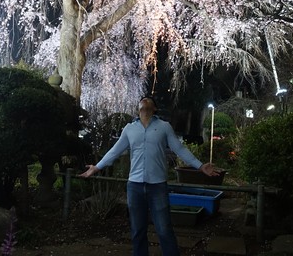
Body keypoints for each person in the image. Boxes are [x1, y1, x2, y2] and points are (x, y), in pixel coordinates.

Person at [81, 96, 219, 256]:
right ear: (138, 108)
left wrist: (200, 166)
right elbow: (115, 151)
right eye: (142, 99)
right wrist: (96, 167)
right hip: (134, 186)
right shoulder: (129, 129)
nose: (145, 100)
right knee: (137, 230)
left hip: (157, 186)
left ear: (155, 109)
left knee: (164, 229)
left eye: (149, 100)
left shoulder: (164, 127)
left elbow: (179, 149)